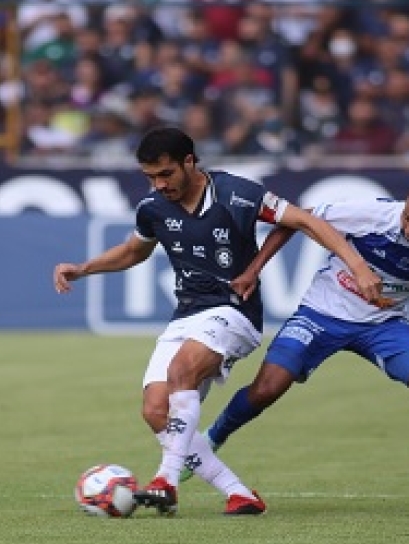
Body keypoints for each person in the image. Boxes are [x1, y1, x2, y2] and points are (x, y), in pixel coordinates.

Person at [53, 126, 381, 516]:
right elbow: (132, 252)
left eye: (166, 174)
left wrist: (358, 266)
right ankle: (239, 493)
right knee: (156, 410)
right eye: (150, 177)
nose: (159, 185)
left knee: (182, 371)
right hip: (186, 314)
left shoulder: (237, 194)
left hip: (234, 312)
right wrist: (83, 268)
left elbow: (306, 220)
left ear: (189, 162)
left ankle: (165, 482)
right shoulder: (153, 208)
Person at [185, 181, 409, 519]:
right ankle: (211, 441)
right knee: (267, 388)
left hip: (383, 325)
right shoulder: (371, 214)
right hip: (320, 314)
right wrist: (253, 270)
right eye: (407, 219)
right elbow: (296, 218)